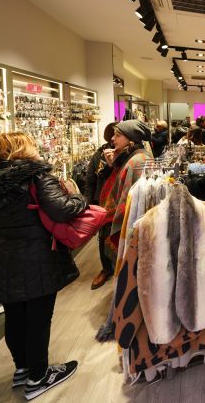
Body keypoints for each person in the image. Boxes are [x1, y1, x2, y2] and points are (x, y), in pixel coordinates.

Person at [0, 132, 86, 399]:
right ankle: (39, 377)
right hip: (35, 256)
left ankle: (23, 369)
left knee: (15, 316)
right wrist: (78, 198)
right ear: (21, 149)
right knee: (39, 318)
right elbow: (61, 210)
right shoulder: (35, 176)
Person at [97, 120, 152, 280]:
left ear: (131, 139)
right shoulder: (131, 157)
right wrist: (113, 164)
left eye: (118, 135)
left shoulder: (138, 161)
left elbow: (130, 202)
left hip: (130, 226)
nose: (112, 138)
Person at [84, 122, 117, 290]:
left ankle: (121, 267)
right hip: (103, 201)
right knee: (104, 236)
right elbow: (90, 180)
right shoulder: (99, 154)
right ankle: (106, 269)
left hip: (121, 199)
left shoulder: (130, 154)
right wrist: (89, 204)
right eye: (115, 134)